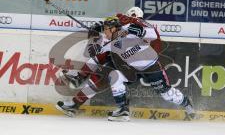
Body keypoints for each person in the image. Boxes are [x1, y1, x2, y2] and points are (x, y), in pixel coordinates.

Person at [56, 13, 197, 122]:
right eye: (103, 30)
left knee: (166, 94)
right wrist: (93, 38)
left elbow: (153, 34)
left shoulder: (129, 29)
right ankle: (122, 110)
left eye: (106, 30)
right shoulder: (109, 42)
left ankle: (186, 104)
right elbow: (94, 54)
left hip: (150, 66)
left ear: (113, 28)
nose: (105, 32)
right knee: (113, 76)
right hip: (131, 69)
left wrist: (137, 25)